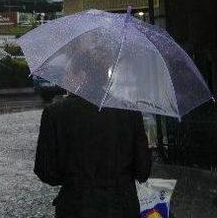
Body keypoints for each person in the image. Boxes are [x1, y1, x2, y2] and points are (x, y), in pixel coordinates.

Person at [34, 90, 152, 218]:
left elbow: (45, 171)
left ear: (80, 76)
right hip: (122, 205)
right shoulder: (130, 111)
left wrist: (73, 181)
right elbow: (143, 171)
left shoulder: (54, 113)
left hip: (75, 206)